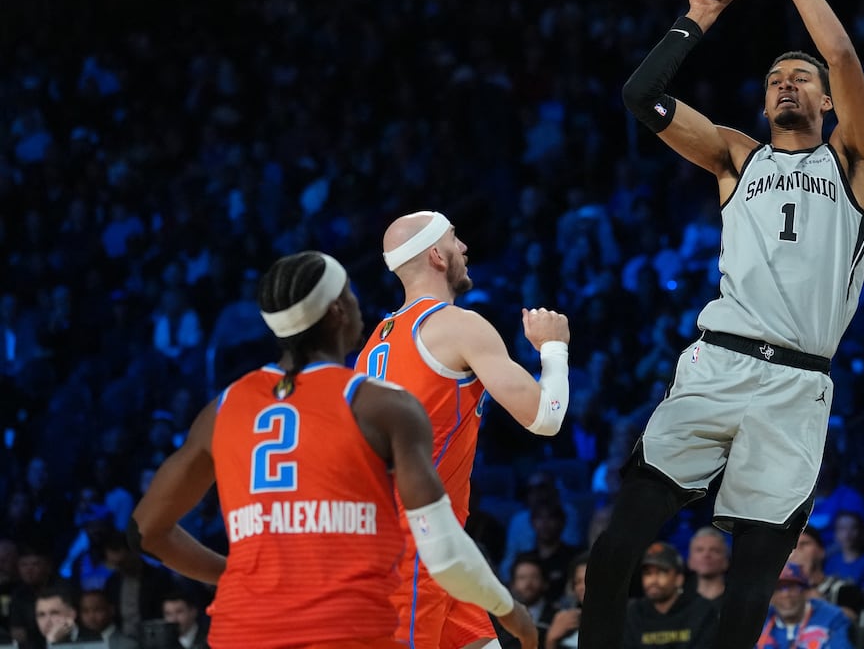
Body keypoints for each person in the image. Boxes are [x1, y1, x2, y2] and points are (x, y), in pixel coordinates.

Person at [580, 0, 864, 649]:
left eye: (800, 78)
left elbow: (840, 53)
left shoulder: (852, 162)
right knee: (618, 546)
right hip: (717, 365)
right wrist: (700, 17)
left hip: (798, 385)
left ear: (826, 101)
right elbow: (641, 96)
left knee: (748, 601)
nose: (787, 82)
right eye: (777, 76)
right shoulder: (734, 157)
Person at [129, 250, 537, 649]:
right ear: (339, 310)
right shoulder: (380, 405)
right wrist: (509, 609)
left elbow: (146, 531)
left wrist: (232, 573)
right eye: (351, 293)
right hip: (346, 627)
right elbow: (442, 549)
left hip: (244, 630)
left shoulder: (223, 408)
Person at [355, 209, 571, 649]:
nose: (464, 247)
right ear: (437, 255)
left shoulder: (374, 341)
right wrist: (553, 347)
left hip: (423, 544)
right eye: (455, 239)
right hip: (416, 548)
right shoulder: (458, 326)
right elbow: (546, 418)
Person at [623, 542, 717, 649]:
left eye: (662, 572)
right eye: (648, 573)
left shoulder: (702, 611)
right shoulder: (633, 613)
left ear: (679, 579)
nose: (653, 580)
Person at [755, 562, 853, 649]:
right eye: (778, 589)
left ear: (805, 592)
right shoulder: (759, 621)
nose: (785, 594)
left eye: (792, 587)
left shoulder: (832, 617)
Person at [35, 582, 104, 645]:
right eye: (41, 615)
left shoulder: (93, 639)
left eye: (54, 613)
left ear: (72, 614)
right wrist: (51, 641)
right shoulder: (32, 641)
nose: (47, 621)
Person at [686, 526, 729, 601]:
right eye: (699, 550)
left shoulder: (737, 601)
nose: (706, 555)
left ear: (725, 561)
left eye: (714, 550)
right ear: (690, 560)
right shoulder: (679, 602)